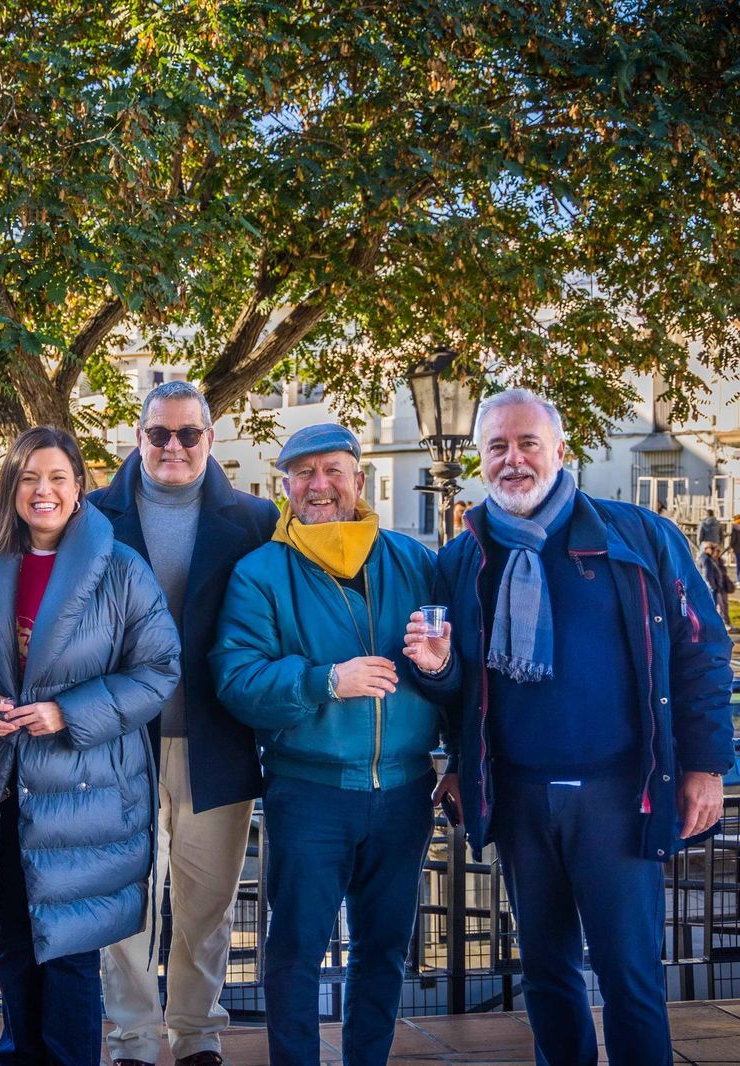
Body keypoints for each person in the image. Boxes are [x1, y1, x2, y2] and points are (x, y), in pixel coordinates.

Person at [420, 389, 734, 1066]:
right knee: (547, 976)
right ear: (480, 460)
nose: (513, 460)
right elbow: (455, 684)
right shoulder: (461, 557)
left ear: (561, 451)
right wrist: (454, 756)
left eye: (527, 443)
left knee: (631, 978)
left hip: (619, 796)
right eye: (497, 447)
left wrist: (707, 767)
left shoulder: (640, 536)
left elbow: (701, 649)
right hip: (521, 797)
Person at [211, 423, 451, 1066]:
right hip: (309, 791)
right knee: (294, 950)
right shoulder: (260, 573)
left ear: (359, 480)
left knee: (385, 949)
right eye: (305, 473)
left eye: (334, 471)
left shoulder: (415, 562)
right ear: (284, 485)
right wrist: (326, 681)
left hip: (404, 792)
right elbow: (236, 681)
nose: (320, 485)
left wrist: (439, 673)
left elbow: (459, 675)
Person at [0, 426, 180, 1066]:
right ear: (11, 488)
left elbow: (160, 669)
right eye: (28, 478)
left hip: (85, 789)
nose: (42, 491)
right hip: (0, 785)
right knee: (15, 947)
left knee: (70, 956)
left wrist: (67, 712)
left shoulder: (122, 567)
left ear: (79, 485)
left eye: (56, 477)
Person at [87, 382, 276, 1066]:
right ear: (138, 438)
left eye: (188, 434)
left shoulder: (256, 519)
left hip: (217, 743)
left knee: (206, 906)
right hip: (118, 747)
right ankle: (134, 1041)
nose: (173, 446)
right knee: (124, 908)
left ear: (209, 440)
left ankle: (197, 1037)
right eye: (159, 434)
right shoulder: (92, 515)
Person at [700, 541, 734, 634]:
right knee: (713, 607)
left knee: (720, 606)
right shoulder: (706, 559)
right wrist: (712, 586)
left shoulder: (713, 559)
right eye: (714, 549)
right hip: (713, 588)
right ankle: (710, 627)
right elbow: (707, 574)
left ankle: (717, 625)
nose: (716, 552)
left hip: (717, 587)